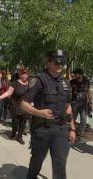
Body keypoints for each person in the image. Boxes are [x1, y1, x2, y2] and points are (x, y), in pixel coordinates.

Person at [20, 50, 76, 179]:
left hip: (60, 130)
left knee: (60, 164)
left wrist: (72, 128)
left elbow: (68, 107)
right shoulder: (38, 80)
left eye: (62, 63)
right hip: (41, 130)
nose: (60, 66)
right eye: (56, 62)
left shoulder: (66, 83)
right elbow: (24, 104)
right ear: (48, 63)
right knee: (37, 161)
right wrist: (39, 113)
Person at [0, 68, 29, 145]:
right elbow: (8, 93)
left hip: (25, 107)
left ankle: (19, 137)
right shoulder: (15, 83)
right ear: (21, 75)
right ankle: (13, 132)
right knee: (15, 122)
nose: (26, 75)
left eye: (27, 73)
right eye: (24, 73)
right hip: (15, 106)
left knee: (23, 122)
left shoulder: (29, 84)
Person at [70, 68, 92, 143]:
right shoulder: (72, 82)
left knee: (83, 119)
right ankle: (71, 134)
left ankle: (80, 136)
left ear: (80, 74)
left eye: (76, 74)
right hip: (74, 103)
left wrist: (90, 104)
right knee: (73, 119)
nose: (74, 75)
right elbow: (69, 93)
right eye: (74, 74)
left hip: (83, 104)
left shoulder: (86, 82)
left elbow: (88, 92)